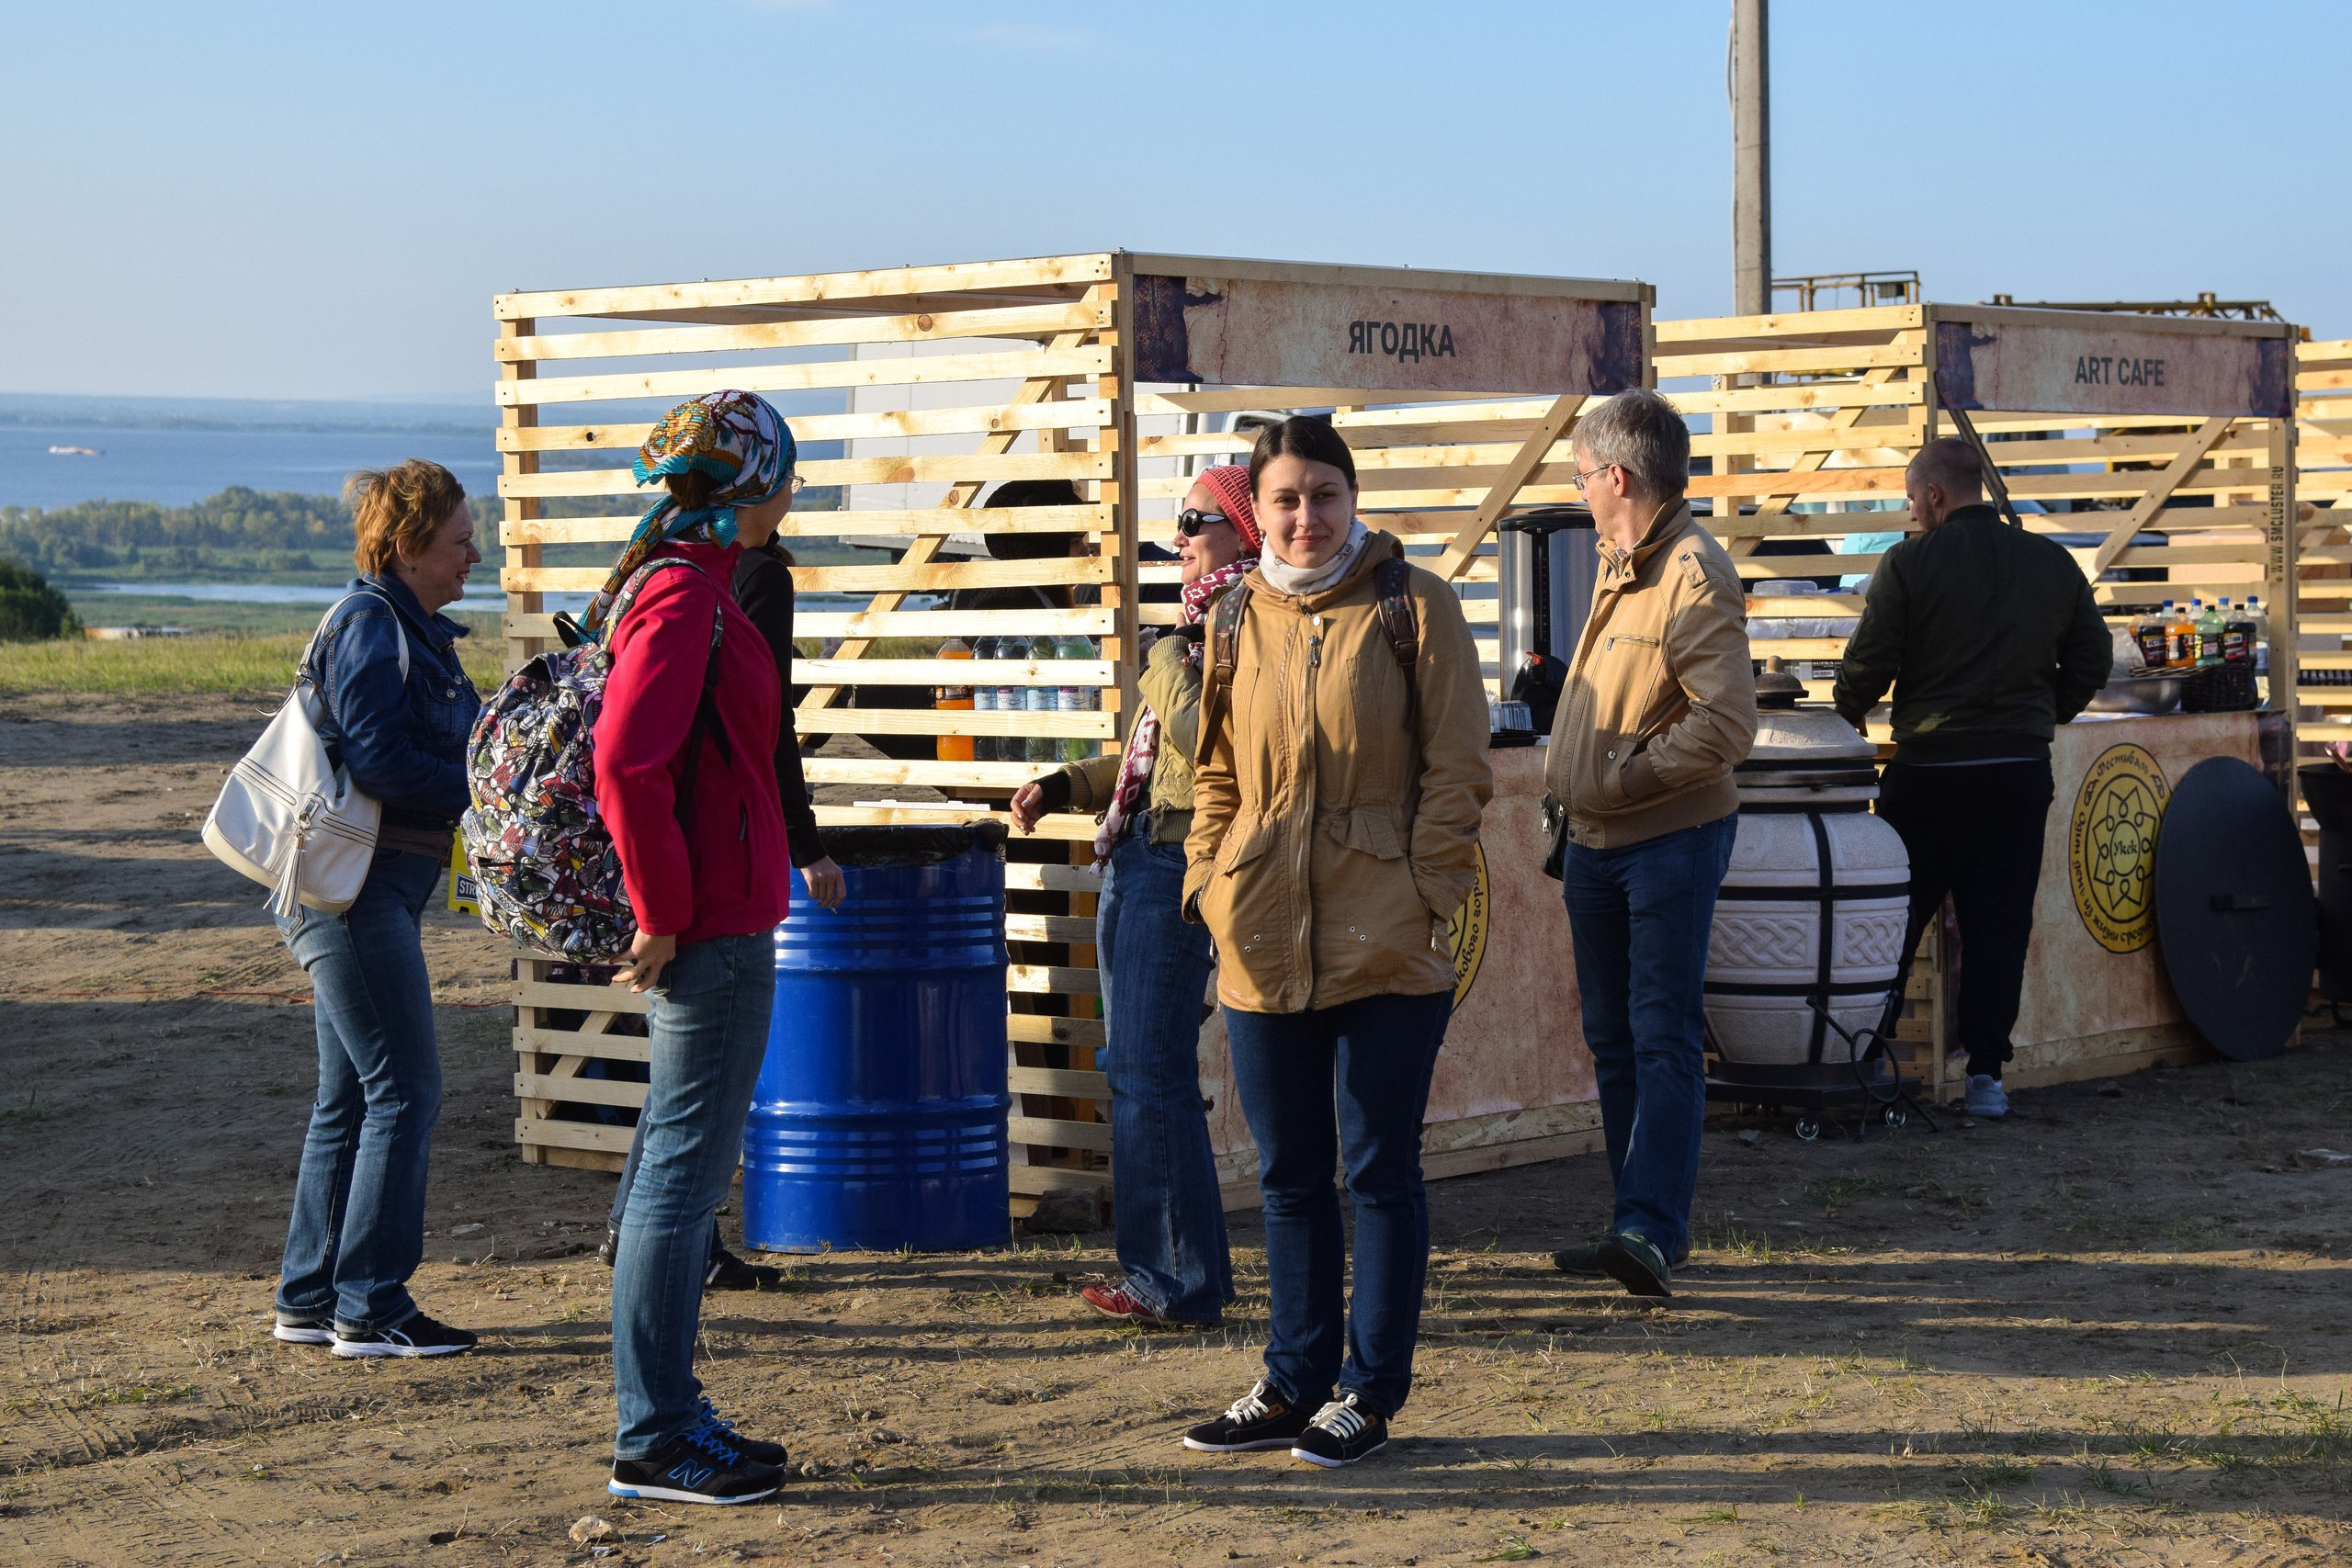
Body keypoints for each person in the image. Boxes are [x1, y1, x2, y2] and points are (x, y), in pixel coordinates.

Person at [1178, 418, 1490, 1468]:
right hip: (1260, 932)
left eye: (1324, 494)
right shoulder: (1233, 615)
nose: (1305, 516)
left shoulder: (1414, 605)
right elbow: (1215, 773)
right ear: (1257, 510)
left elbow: (1459, 769)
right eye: (1285, 498)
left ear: (1352, 500)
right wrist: (1207, 885)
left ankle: (1367, 1391)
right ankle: (1290, 1382)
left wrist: (1425, 892)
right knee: (1289, 1175)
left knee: (1379, 1169)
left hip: (1386, 936)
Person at [592, 391, 799, 1506]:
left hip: (719, 919)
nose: (795, 492)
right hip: (708, 931)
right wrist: (663, 912)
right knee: (677, 1188)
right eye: (788, 473)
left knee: (678, 1180)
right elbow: (627, 763)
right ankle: (656, 1434)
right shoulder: (682, 596)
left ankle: (668, 1417)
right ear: (757, 485)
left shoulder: (693, 583)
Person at [1010, 465, 1261, 1328]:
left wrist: (1163, 663)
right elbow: (1151, 761)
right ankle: (1188, 1272)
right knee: (1147, 1072)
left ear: (1241, 530)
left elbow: (1220, 748)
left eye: (1195, 520)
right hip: (1143, 849)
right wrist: (1065, 783)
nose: (1180, 537)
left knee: (1148, 1072)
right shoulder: (1201, 621)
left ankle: (1174, 1279)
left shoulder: (1246, 617)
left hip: (1177, 858)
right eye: (1179, 520)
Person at [1544, 388, 1757, 1300]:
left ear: (1618, 477)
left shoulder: (1692, 571)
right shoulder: (1627, 560)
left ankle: (1649, 1227)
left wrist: (1621, 777)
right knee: (1616, 1036)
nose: (1581, 491)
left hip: (1665, 835)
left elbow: (1726, 725)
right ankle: (1635, 1222)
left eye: (1582, 476)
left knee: (1659, 1033)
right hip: (1600, 839)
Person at [269, 460, 484, 1359]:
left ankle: (310, 1298)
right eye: (460, 541)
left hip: (367, 890)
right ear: (405, 546)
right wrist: (483, 791)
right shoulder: (370, 626)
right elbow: (382, 762)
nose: (475, 556)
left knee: (354, 1094)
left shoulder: (415, 630)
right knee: (406, 1089)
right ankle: (371, 1305)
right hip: (351, 896)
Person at [595, 530, 847, 1288]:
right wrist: (803, 843)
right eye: (786, 477)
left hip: (692, 886)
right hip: (714, 891)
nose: (794, 487)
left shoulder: (670, 572)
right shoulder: (721, 584)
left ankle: (638, 1242)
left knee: (681, 1108)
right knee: (691, 1136)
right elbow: (760, 733)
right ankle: (663, 1315)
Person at [1833, 436, 2110, 1122]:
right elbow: (2094, 655)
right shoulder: (2051, 561)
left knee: (1893, 923)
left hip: (1930, 774)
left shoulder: (1908, 563)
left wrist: (1842, 717)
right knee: (1998, 928)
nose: (1910, 512)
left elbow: (1870, 661)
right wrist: (2042, 714)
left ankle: (1868, 1063)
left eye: (1911, 499)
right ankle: (1986, 1076)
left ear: (1933, 494)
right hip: (2017, 775)